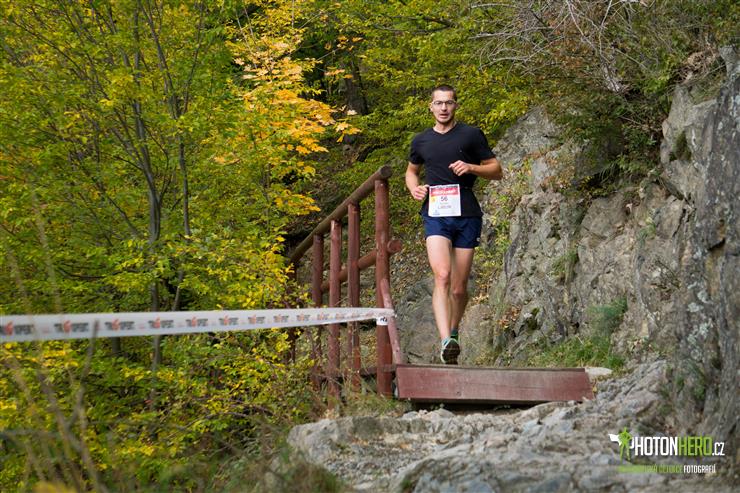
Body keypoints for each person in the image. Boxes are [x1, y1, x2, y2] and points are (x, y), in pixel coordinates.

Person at [405, 84, 503, 364]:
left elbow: (497, 170)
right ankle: (445, 340)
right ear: (431, 107)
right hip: (435, 213)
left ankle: (454, 332)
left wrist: (471, 167)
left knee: (459, 288)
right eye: (439, 103)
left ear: (455, 105)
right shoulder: (421, 141)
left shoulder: (471, 135)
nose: (444, 108)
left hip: (467, 214)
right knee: (442, 276)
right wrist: (414, 189)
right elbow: (411, 172)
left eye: (448, 103)